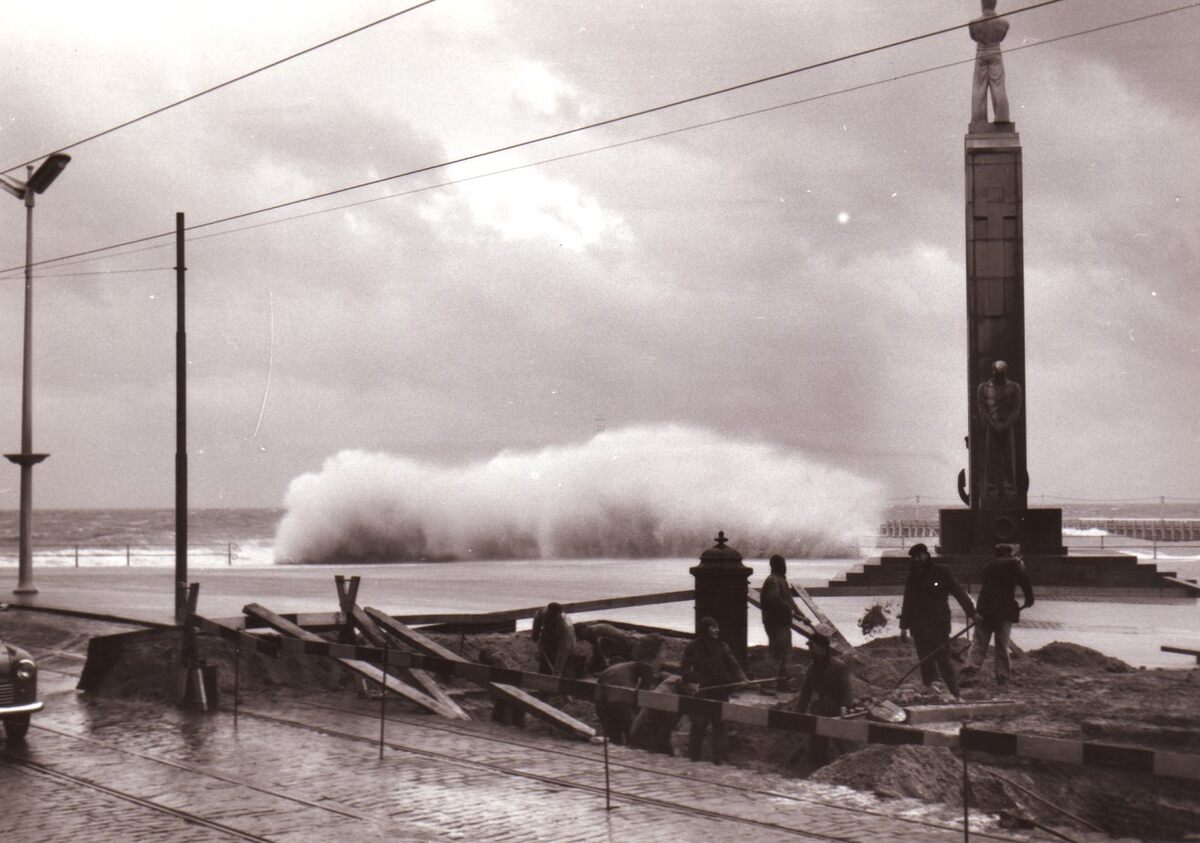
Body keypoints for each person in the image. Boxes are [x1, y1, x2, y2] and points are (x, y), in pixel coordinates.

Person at [898, 543, 975, 699]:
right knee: (925, 662)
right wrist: (903, 627)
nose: (917, 560)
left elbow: (959, 592)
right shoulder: (912, 577)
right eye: (914, 557)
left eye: (919, 556)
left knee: (943, 661)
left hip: (938, 626)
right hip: (919, 627)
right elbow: (908, 602)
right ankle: (931, 693)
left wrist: (972, 613)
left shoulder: (942, 572)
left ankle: (955, 694)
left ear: (927, 555)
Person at [963, 544, 1034, 685]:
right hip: (1003, 610)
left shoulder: (988, 566)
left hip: (984, 610)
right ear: (1008, 554)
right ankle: (1002, 676)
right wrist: (1029, 599)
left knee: (979, 642)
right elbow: (1024, 580)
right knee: (1002, 644)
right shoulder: (1012, 564)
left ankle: (970, 670)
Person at [680, 616, 747, 764]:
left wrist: (742, 679)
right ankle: (694, 757)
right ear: (705, 629)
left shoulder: (722, 647)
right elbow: (684, 669)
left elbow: (734, 666)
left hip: (721, 692)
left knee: (721, 726)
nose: (717, 630)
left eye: (717, 627)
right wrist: (692, 681)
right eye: (713, 627)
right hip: (702, 692)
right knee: (698, 725)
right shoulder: (692, 646)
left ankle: (719, 759)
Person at [793, 632, 854, 766]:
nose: (811, 651)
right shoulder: (813, 668)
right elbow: (806, 692)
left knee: (843, 744)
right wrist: (799, 712)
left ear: (823, 648)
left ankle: (847, 769)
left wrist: (845, 706)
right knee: (817, 747)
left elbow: (846, 689)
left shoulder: (839, 666)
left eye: (813, 647)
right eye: (810, 648)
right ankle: (821, 770)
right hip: (819, 709)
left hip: (836, 708)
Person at [977, 360, 1023, 498]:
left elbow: (1016, 410)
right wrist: (994, 425)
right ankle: (992, 491)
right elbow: (983, 409)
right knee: (991, 460)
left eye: (1001, 373)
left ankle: (1010, 490)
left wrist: (1005, 426)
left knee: (1009, 459)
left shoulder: (1014, 388)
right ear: (993, 371)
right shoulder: (983, 388)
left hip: (1007, 428)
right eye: (997, 373)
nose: (999, 375)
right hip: (992, 427)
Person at [630, 672, 699, 756]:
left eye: (695, 691)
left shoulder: (675, 678)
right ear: (683, 684)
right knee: (658, 750)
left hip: (657, 714)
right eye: (690, 690)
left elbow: (662, 674)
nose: (692, 694)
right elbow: (668, 727)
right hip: (650, 723)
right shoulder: (669, 696)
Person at [760, 554, 803, 691]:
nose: (784, 567)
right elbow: (774, 599)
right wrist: (790, 610)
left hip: (783, 622)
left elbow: (790, 602)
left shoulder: (781, 580)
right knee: (777, 653)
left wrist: (801, 615)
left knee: (785, 653)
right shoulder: (773, 581)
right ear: (775, 566)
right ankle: (767, 685)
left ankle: (782, 684)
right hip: (775, 622)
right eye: (782, 564)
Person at [594, 660, 655, 745]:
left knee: (615, 738)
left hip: (602, 703)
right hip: (618, 702)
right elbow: (644, 690)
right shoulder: (643, 668)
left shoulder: (619, 667)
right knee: (633, 734)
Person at [969, 0, 1011, 125]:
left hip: (981, 55)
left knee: (979, 87)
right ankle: (1002, 117)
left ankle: (978, 119)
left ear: (982, 4)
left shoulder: (973, 24)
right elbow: (1002, 38)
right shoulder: (1004, 24)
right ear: (995, 4)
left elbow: (973, 37)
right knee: (998, 85)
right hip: (995, 54)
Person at [477, 646, 526, 728]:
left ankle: (508, 726)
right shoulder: (502, 656)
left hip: (509, 688)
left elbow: (500, 676)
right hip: (517, 687)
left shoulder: (495, 658)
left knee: (507, 712)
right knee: (516, 715)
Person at [531, 601, 576, 678]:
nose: (552, 618)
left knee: (565, 667)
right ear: (548, 612)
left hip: (567, 641)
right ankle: (543, 678)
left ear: (559, 614)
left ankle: (563, 679)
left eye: (554, 616)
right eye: (551, 615)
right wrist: (535, 637)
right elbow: (536, 624)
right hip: (548, 635)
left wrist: (557, 671)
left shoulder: (565, 626)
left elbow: (563, 649)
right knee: (544, 664)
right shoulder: (542, 613)